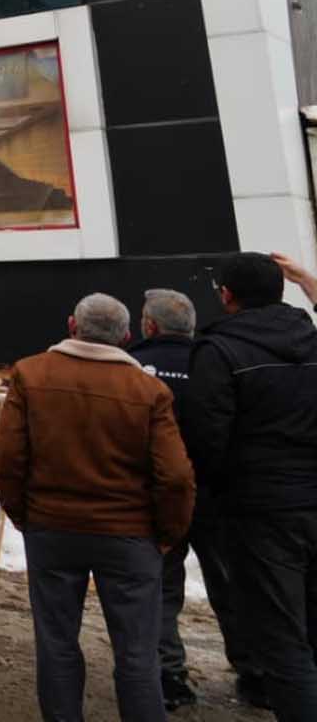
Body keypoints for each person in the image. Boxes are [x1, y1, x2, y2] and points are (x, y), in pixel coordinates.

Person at [0, 293, 195, 722]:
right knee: (138, 655)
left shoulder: (31, 375)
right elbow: (175, 476)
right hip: (130, 537)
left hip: (52, 529)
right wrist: (167, 534)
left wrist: (23, 515)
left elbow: (8, 458)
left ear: (72, 325)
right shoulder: (149, 390)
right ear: (126, 336)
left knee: (57, 644)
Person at [188, 252, 317, 721]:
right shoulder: (311, 337)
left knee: (282, 639)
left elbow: (207, 439)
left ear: (227, 297)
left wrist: (219, 498)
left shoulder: (219, 351)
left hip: (260, 513)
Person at [128, 288, 255, 709]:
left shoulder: (131, 369)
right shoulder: (214, 361)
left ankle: (169, 676)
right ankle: (255, 671)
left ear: (148, 325)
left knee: (161, 587)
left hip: (154, 497)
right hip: (216, 494)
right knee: (232, 584)